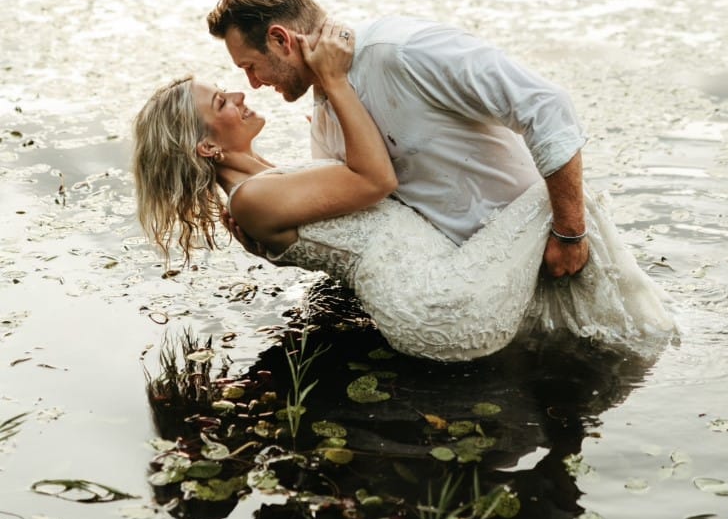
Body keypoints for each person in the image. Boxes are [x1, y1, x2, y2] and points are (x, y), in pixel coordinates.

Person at [133, 23, 676, 362]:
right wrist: (340, 83)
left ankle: (612, 333)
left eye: (239, 76)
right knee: (563, 203)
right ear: (205, 148)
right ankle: (648, 335)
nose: (239, 91)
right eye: (221, 101)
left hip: (434, 297)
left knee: (558, 205)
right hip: (437, 308)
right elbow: (377, 181)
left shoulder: (261, 189)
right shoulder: (252, 200)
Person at [206, 0, 589, 279]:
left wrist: (569, 232)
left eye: (250, 67)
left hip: (548, 253)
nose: (253, 84)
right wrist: (272, 237)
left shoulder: (406, 51)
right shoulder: (325, 120)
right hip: (473, 282)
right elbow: (368, 223)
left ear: (280, 39)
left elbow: (545, 105)